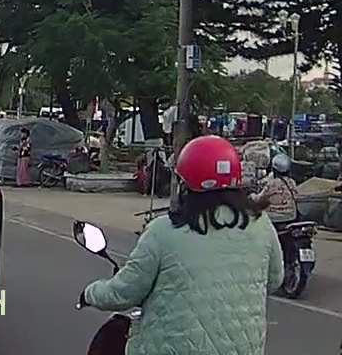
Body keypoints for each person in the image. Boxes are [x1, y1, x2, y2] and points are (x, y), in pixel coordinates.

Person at [80, 135, 283, 355]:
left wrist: (90, 293)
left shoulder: (163, 231)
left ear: (185, 185)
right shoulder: (261, 225)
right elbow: (274, 280)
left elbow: (124, 292)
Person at [252, 152, 300, 235]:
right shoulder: (292, 182)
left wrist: (252, 195)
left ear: (274, 169)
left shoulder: (272, 184)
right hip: (291, 215)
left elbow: (259, 199)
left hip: (275, 217)